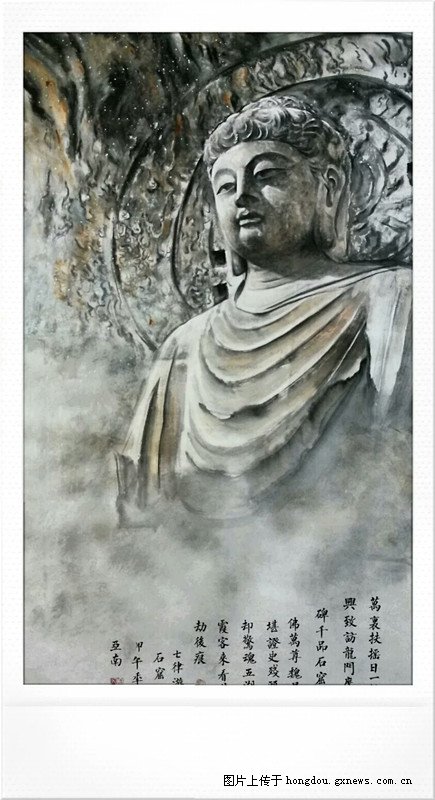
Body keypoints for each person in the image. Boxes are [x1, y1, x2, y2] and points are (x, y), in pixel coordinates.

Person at [115, 96, 411, 523]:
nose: (242, 196)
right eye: (225, 186)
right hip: (194, 562)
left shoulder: (392, 299)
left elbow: (401, 478)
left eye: (266, 174)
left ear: (328, 188)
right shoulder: (185, 345)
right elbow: (141, 515)